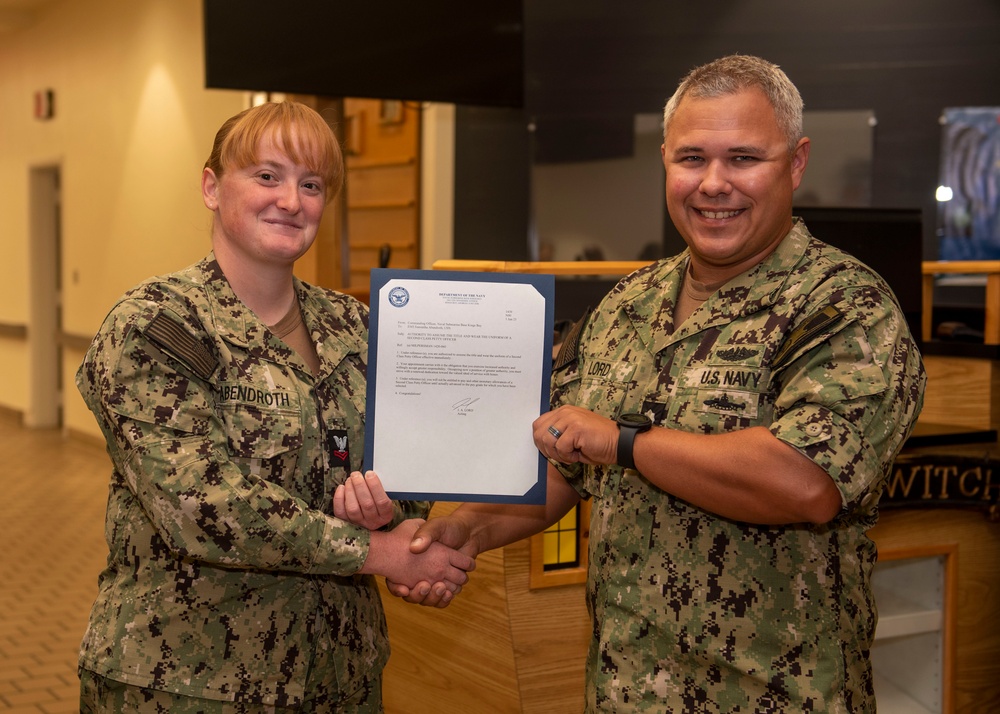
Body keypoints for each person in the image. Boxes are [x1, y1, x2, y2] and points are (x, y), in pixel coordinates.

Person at [366, 54, 927, 711]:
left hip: (776, 695)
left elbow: (805, 482)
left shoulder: (843, 306)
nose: (714, 183)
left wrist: (622, 442)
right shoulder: (628, 303)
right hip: (626, 688)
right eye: (692, 158)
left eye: (743, 158)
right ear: (665, 160)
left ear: (796, 163)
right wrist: (464, 532)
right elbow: (563, 466)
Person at [75, 101, 474, 713]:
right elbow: (199, 502)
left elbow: (411, 465)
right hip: (187, 682)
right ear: (212, 186)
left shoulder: (359, 327)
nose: (291, 200)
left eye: (310, 184)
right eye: (267, 176)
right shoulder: (157, 325)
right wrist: (376, 553)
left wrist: (393, 513)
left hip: (340, 678)